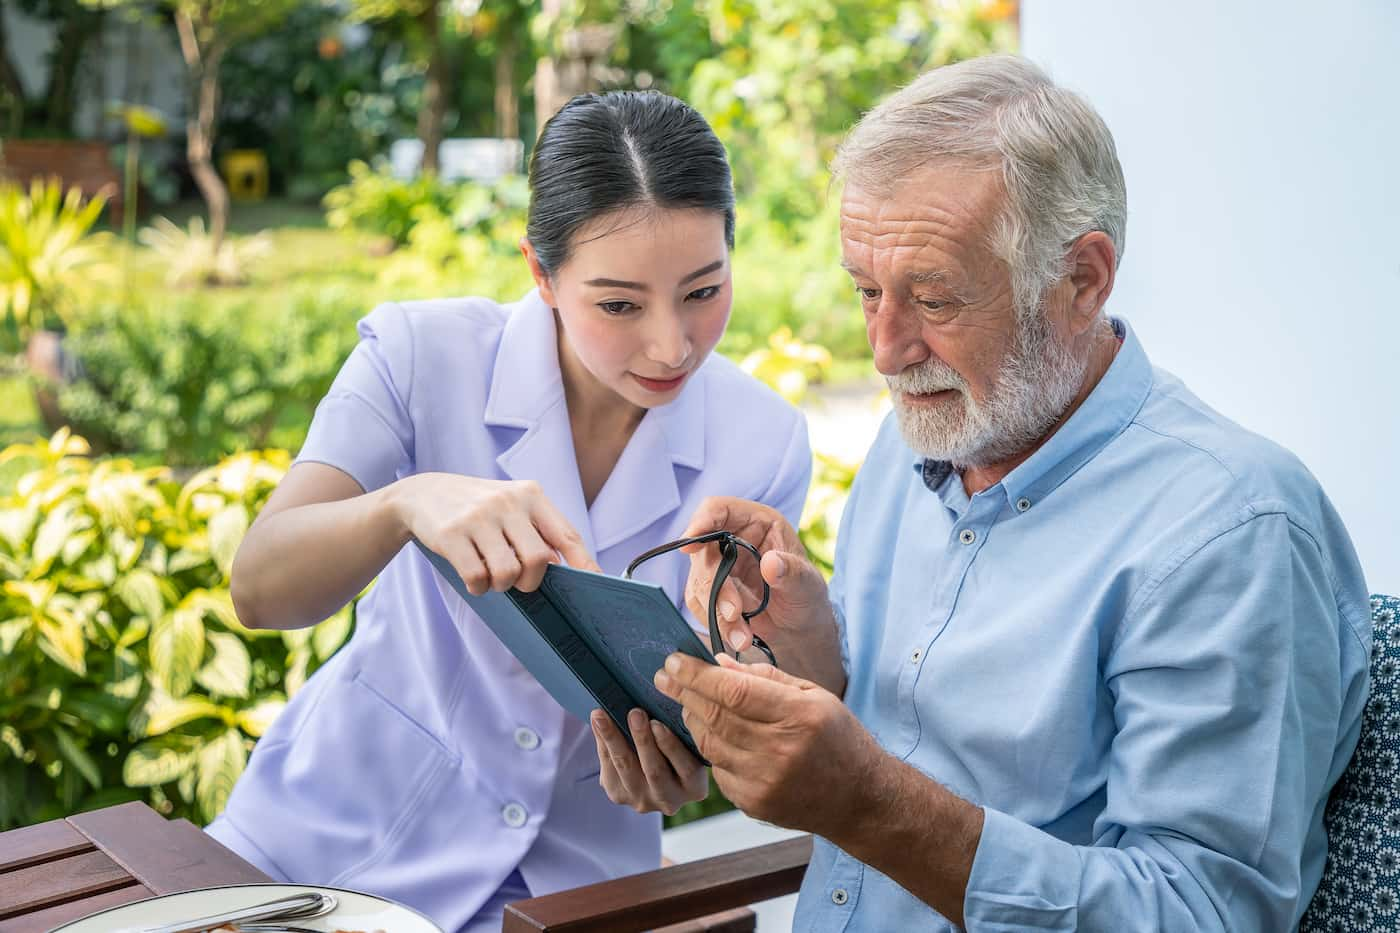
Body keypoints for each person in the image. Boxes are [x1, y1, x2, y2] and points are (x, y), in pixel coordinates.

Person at [595, 55, 1371, 931]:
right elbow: (911, 732)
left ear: (1083, 279)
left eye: (934, 299)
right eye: (865, 292)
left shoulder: (1231, 532)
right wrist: (808, 639)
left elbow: (1203, 913)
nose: (886, 350)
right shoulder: (922, 436)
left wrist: (865, 803)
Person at [205, 91, 812, 933]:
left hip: (577, 891)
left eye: (703, 291)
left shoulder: (765, 441)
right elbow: (261, 588)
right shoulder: (420, 357)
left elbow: (748, 690)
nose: (671, 345)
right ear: (540, 272)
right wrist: (405, 502)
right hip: (326, 855)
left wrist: (691, 761)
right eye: (620, 305)